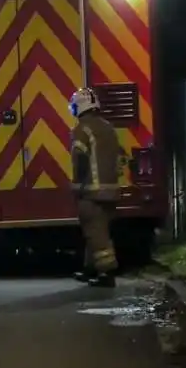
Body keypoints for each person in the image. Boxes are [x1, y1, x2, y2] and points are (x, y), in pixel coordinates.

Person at [69, 88, 122, 288]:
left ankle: (106, 273)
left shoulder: (82, 129)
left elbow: (80, 158)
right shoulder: (108, 127)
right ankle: (89, 269)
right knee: (98, 230)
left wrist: (78, 184)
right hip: (111, 190)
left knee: (95, 233)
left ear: (79, 107)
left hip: (92, 192)